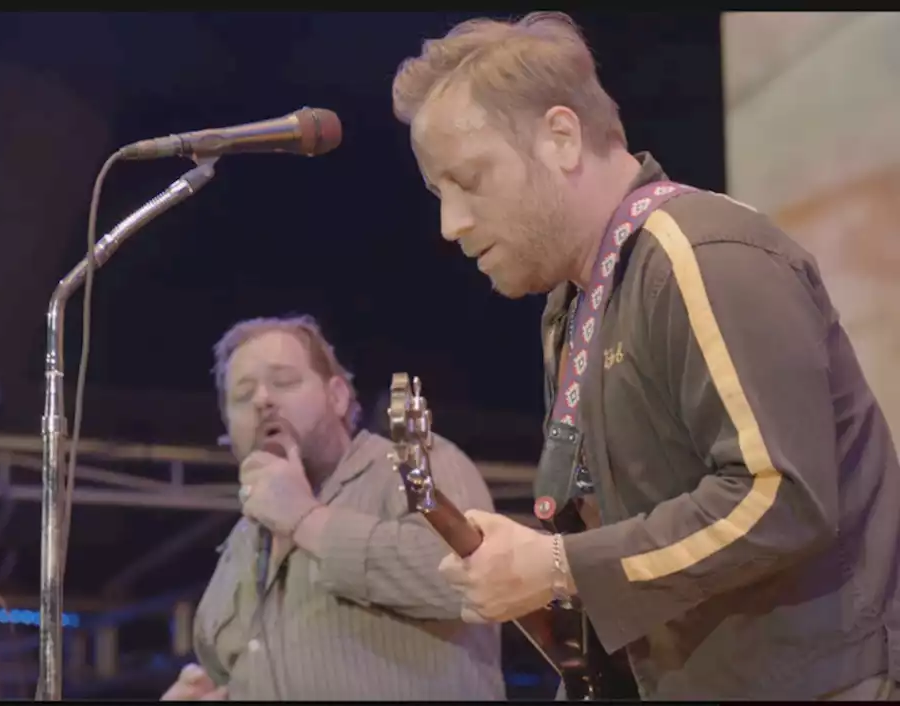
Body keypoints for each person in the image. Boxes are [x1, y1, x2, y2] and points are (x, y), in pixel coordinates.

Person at [391, 11, 900, 701]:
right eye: (437, 194)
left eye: (469, 180)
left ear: (562, 137)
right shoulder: (573, 308)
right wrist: (535, 567)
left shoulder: (699, 252)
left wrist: (561, 565)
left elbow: (781, 497)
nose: (451, 225)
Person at [162, 315, 504, 700]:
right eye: (242, 396)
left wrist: (306, 518)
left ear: (337, 396)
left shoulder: (410, 466)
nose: (262, 400)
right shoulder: (239, 544)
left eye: (284, 382)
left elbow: (473, 581)